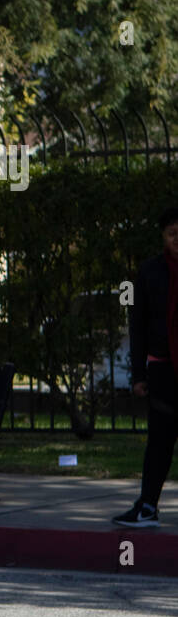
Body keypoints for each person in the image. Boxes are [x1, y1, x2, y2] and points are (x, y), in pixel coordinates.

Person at [115, 205, 178, 527]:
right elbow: (137, 324)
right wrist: (139, 374)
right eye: (172, 234)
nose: (177, 240)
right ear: (164, 237)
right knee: (160, 442)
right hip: (164, 369)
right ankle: (148, 506)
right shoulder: (151, 272)